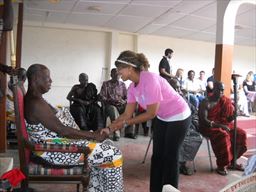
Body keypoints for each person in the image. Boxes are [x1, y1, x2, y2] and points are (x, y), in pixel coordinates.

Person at [100, 50, 191, 191]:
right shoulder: (131, 88)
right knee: (157, 157)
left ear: (130, 68)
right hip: (163, 117)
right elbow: (126, 114)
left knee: (170, 157)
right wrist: (110, 128)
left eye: (120, 69)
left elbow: (150, 113)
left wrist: (125, 124)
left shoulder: (150, 79)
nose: (118, 72)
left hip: (179, 115)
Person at [24, 64, 124, 192]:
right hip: (53, 151)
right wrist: (93, 135)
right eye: (47, 78)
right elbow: (63, 130)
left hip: (56, 145)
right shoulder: (36, 103)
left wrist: (91, 135)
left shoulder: (35, 99)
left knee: (107, 146)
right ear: (35, 79)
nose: (51, 81)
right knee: (114, 154)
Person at [198, 81, 247, 176]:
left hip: (225, 124)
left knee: (241, 134)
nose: (221, 92)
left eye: (223, 90)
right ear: (214, 89)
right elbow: (204, 120)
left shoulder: (225, 101)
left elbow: (227, 119)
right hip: (209, 127)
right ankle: (222, 165)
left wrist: (234, 115)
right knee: (223, 135)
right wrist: (220, 126)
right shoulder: (206, 102)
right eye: (219, 89)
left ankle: (233, 161)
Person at [169, 78, 202, 176]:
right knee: (180, 138)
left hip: (187, 126)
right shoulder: (165, 100)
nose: (178, 91)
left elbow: (194, 111)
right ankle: (176, 164)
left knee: (196, 138)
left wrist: (195, 122)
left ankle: (182, 163)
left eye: (179, 88)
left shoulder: (182, 98)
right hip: (170, 127)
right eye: (175, 88)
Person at [99, 68, 127, 141]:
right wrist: (111, 100)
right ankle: (116, 133)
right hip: (110, 105)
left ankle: (129, 132)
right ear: (111, 75)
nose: (117, 75)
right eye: (114, 74)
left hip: (121, 105)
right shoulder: (106, 84)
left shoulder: (122, 85)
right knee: (113, 110)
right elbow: (102, 96)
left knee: (130, 108)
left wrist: (124, 101)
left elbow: (127, 97)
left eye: (118, 74)